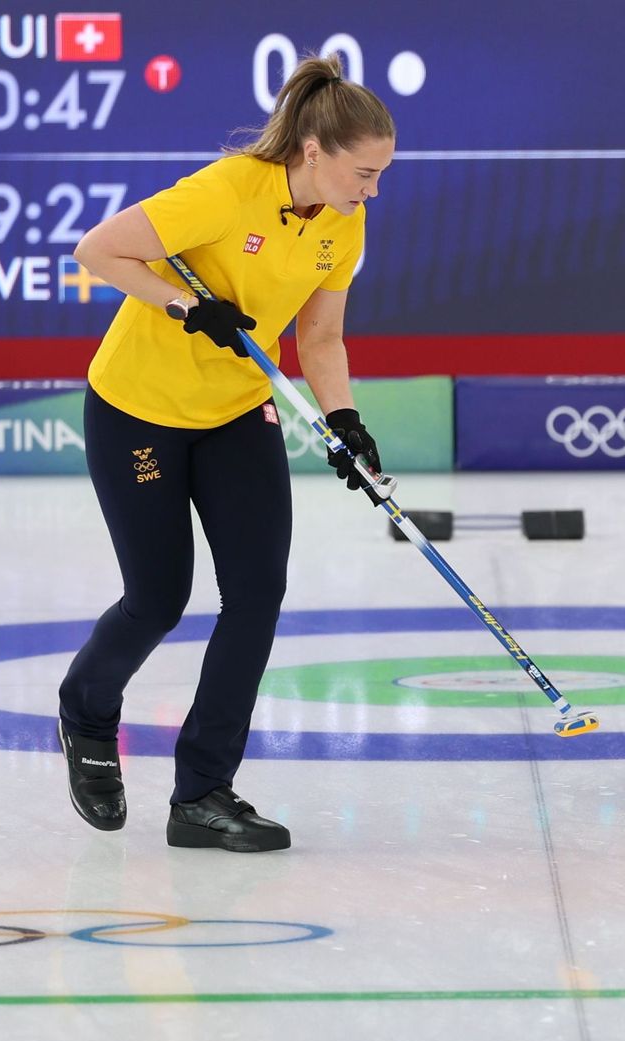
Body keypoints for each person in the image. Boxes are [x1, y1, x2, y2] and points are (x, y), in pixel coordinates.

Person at [56, 54, 395, 852]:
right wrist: (186, 304)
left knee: (256, 592)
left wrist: (345, 421)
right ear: (314, 150)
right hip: (139, 407)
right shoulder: (227, 189)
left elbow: (321, 334)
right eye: (365, 171)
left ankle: (203, 791)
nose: (372, 189)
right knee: (158, 597)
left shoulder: (343, 220)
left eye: (382, 175)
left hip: (238, 410)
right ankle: (87, 710)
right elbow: (97, 250)